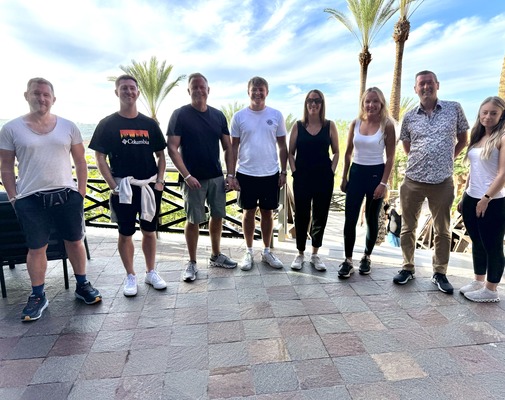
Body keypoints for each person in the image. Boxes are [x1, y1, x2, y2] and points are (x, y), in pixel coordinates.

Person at [0, 77, 101, 321]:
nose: (41, 98)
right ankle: (37, 295)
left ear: (53, 99)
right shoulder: (11, 129)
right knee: (36, 248)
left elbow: (80, 161)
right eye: (36, 93)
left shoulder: (68, 126)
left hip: (67, 195)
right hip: (31, 200)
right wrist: (15, 198)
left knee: (75, 242)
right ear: (27, 96)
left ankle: (82, 285)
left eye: (46, 95)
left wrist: (81, 192)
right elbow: (5, 168)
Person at [89, 74, 167, 297]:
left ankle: (151, 272)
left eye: (132, 88)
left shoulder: (149, 124)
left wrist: (160, 181)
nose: (129, 92)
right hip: (123, 188)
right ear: (117, 92)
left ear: (138, 92)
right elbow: (99, 157)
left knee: (149, 231)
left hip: (149, 187)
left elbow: (161, 155)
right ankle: (130, 275)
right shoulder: (108, 124)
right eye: (124, 88)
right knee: (125, 233)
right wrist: (112, 184)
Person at [393, 70, 469, 294]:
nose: (425, 87)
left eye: (429, 83)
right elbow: (407, 146)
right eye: (421, 84)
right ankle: (407, 268)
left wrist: (446, 158)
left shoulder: (454, 109)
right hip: (412, 180)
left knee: (442, 230)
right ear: (415, 89)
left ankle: (440, 272)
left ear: (437, 85)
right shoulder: (409, 116)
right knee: (408, 228)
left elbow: (463, 139)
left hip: (442, 181)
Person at [167, 73, 237, 282]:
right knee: (193, 220)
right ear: (189, 91)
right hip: (192, 180)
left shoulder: (218, 115)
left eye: (202, 86)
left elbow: (228, 147)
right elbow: (172, 148)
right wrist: (186, 175)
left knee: (218, 216)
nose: (198, 90)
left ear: (208, 90)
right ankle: (192, 262)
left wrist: (230, 174)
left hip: (216, 177)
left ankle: (216, 255)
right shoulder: (180, 114)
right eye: (194, 87)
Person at [230, 76, 288, 271]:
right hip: (246, 173)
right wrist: (231, 175)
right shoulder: (239, 117)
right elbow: (233, 147)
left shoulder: (276, 115)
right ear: (248, 92)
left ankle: (266, 251)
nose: (257, 92)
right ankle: (248, 251)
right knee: (248, 213)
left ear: (267, 92)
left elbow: (282, 146)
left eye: (261, 89)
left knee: (267, 213)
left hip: (270, 173)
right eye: (254, 89)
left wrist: (284, 171)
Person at [338, 87, 396, 278]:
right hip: (356, 173)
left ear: (381, 104)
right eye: (367, 101)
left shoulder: (386, 125)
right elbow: (347, 153)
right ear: (363, 103)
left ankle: (366, 257)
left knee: (371, 219)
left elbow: (390, 157)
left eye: (375, 101)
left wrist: (384, 183)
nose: (371, 105)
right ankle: (348, 260)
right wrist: (344, 176)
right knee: (350, 219)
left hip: (375, 175)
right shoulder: (355, 123)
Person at [458, 96, 505, 302]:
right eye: (484, 112)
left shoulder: (503, 137)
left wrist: (486, 197)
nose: (488, 116)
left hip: (493, 201)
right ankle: (478, 281)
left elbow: (503, 174)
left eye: (493, 113)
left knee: (493, 245)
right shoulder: (477, 137)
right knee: (477, 241)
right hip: (472, 197)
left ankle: (491, 290)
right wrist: (465, 194)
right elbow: (473, 169)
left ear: (502, 115)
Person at [288, 90, 339, 271]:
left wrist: (331, 172)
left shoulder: (329, 125)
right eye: (310, 100)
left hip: (323, 179)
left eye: (317, 101)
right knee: (301, 215)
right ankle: (300, 253)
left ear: (322, 104)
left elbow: (337, 152)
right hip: (302, 178)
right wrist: (294, 172)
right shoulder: (298, 126)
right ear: (306, 103)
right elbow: (290, 153)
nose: (313, 104)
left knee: (320, 215)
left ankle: (315, 254)